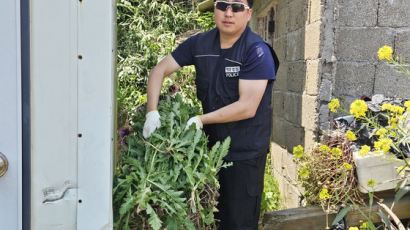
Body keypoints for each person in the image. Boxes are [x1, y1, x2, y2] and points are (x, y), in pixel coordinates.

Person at [142, 0, 279, 229]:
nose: (228, 13)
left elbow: (247, 106)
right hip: (209, 152)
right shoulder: (200, 44)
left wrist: (200, 120)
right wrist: (151, 112)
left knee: (238, 222)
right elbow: (159, 71)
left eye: (236, 7)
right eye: (222, 5)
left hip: (244, 154)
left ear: (248, 14)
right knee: (211, 218)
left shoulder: (256, 51)